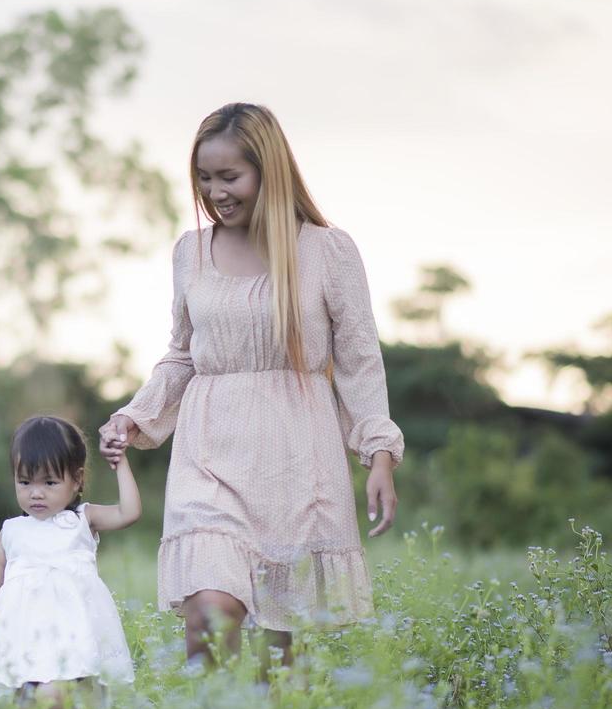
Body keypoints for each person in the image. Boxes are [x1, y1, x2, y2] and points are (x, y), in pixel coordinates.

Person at [99, 102, 403, 675]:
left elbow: (360, 361)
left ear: (269, 170)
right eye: (204, 178)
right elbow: (183, 353)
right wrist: (135, 416)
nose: (216, 192)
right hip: (209, 454)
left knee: (275, 658)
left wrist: (379, 453)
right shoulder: (190, 252)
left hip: (297, 458)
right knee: (209, 612)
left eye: (229, 176)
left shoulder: (325, 251)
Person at [0, 415, 139, 709]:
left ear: (76, 480)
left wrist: (120, 463)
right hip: (23, 638)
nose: (36, 493)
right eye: (24, 482)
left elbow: (129, 513)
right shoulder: (11, 530)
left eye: (49, 482)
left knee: (60, 701)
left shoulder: (81, 520)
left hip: (71, 640)